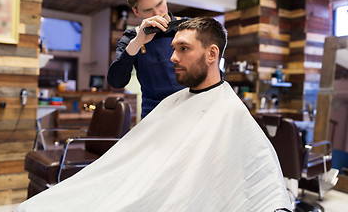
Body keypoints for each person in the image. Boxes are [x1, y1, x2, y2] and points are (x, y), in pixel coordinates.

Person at [15, 17, 292, 212]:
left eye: (183, 49)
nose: (172, 57)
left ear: (211, 54)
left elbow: (257, 180)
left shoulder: (230, 112)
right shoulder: (175, 101)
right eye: (173, 49)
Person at [107, 0, 186, 118]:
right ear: (136, 11)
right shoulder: (131, 38)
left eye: (159, 4)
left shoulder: (190, 27)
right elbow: (116, 82)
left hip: (191, 112)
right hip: (154, 118)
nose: (157, 13)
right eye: (148, 10)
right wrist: (137, 43)